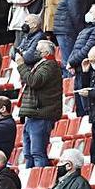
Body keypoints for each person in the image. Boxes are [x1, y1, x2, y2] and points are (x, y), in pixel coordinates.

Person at [19, 40, 62, 168]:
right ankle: (29, 178)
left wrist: (21, 65)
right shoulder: (40, 64)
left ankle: (41, 177)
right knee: (28, 154)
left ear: (46, 53)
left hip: (41, 113)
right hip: (33, 113)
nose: (35, 52)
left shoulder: (50, 65)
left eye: (38, 50)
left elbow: (34, 81)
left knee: (37, 153)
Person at [67, 4, 95, 115]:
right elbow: (76, 48)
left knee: (86, 106)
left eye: (91, 12)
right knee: (79, 105)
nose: (88, 14)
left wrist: (72, 62)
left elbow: (87, 50)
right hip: (79, 69)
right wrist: (71, 62)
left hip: (88, 70)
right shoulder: (87, 29)